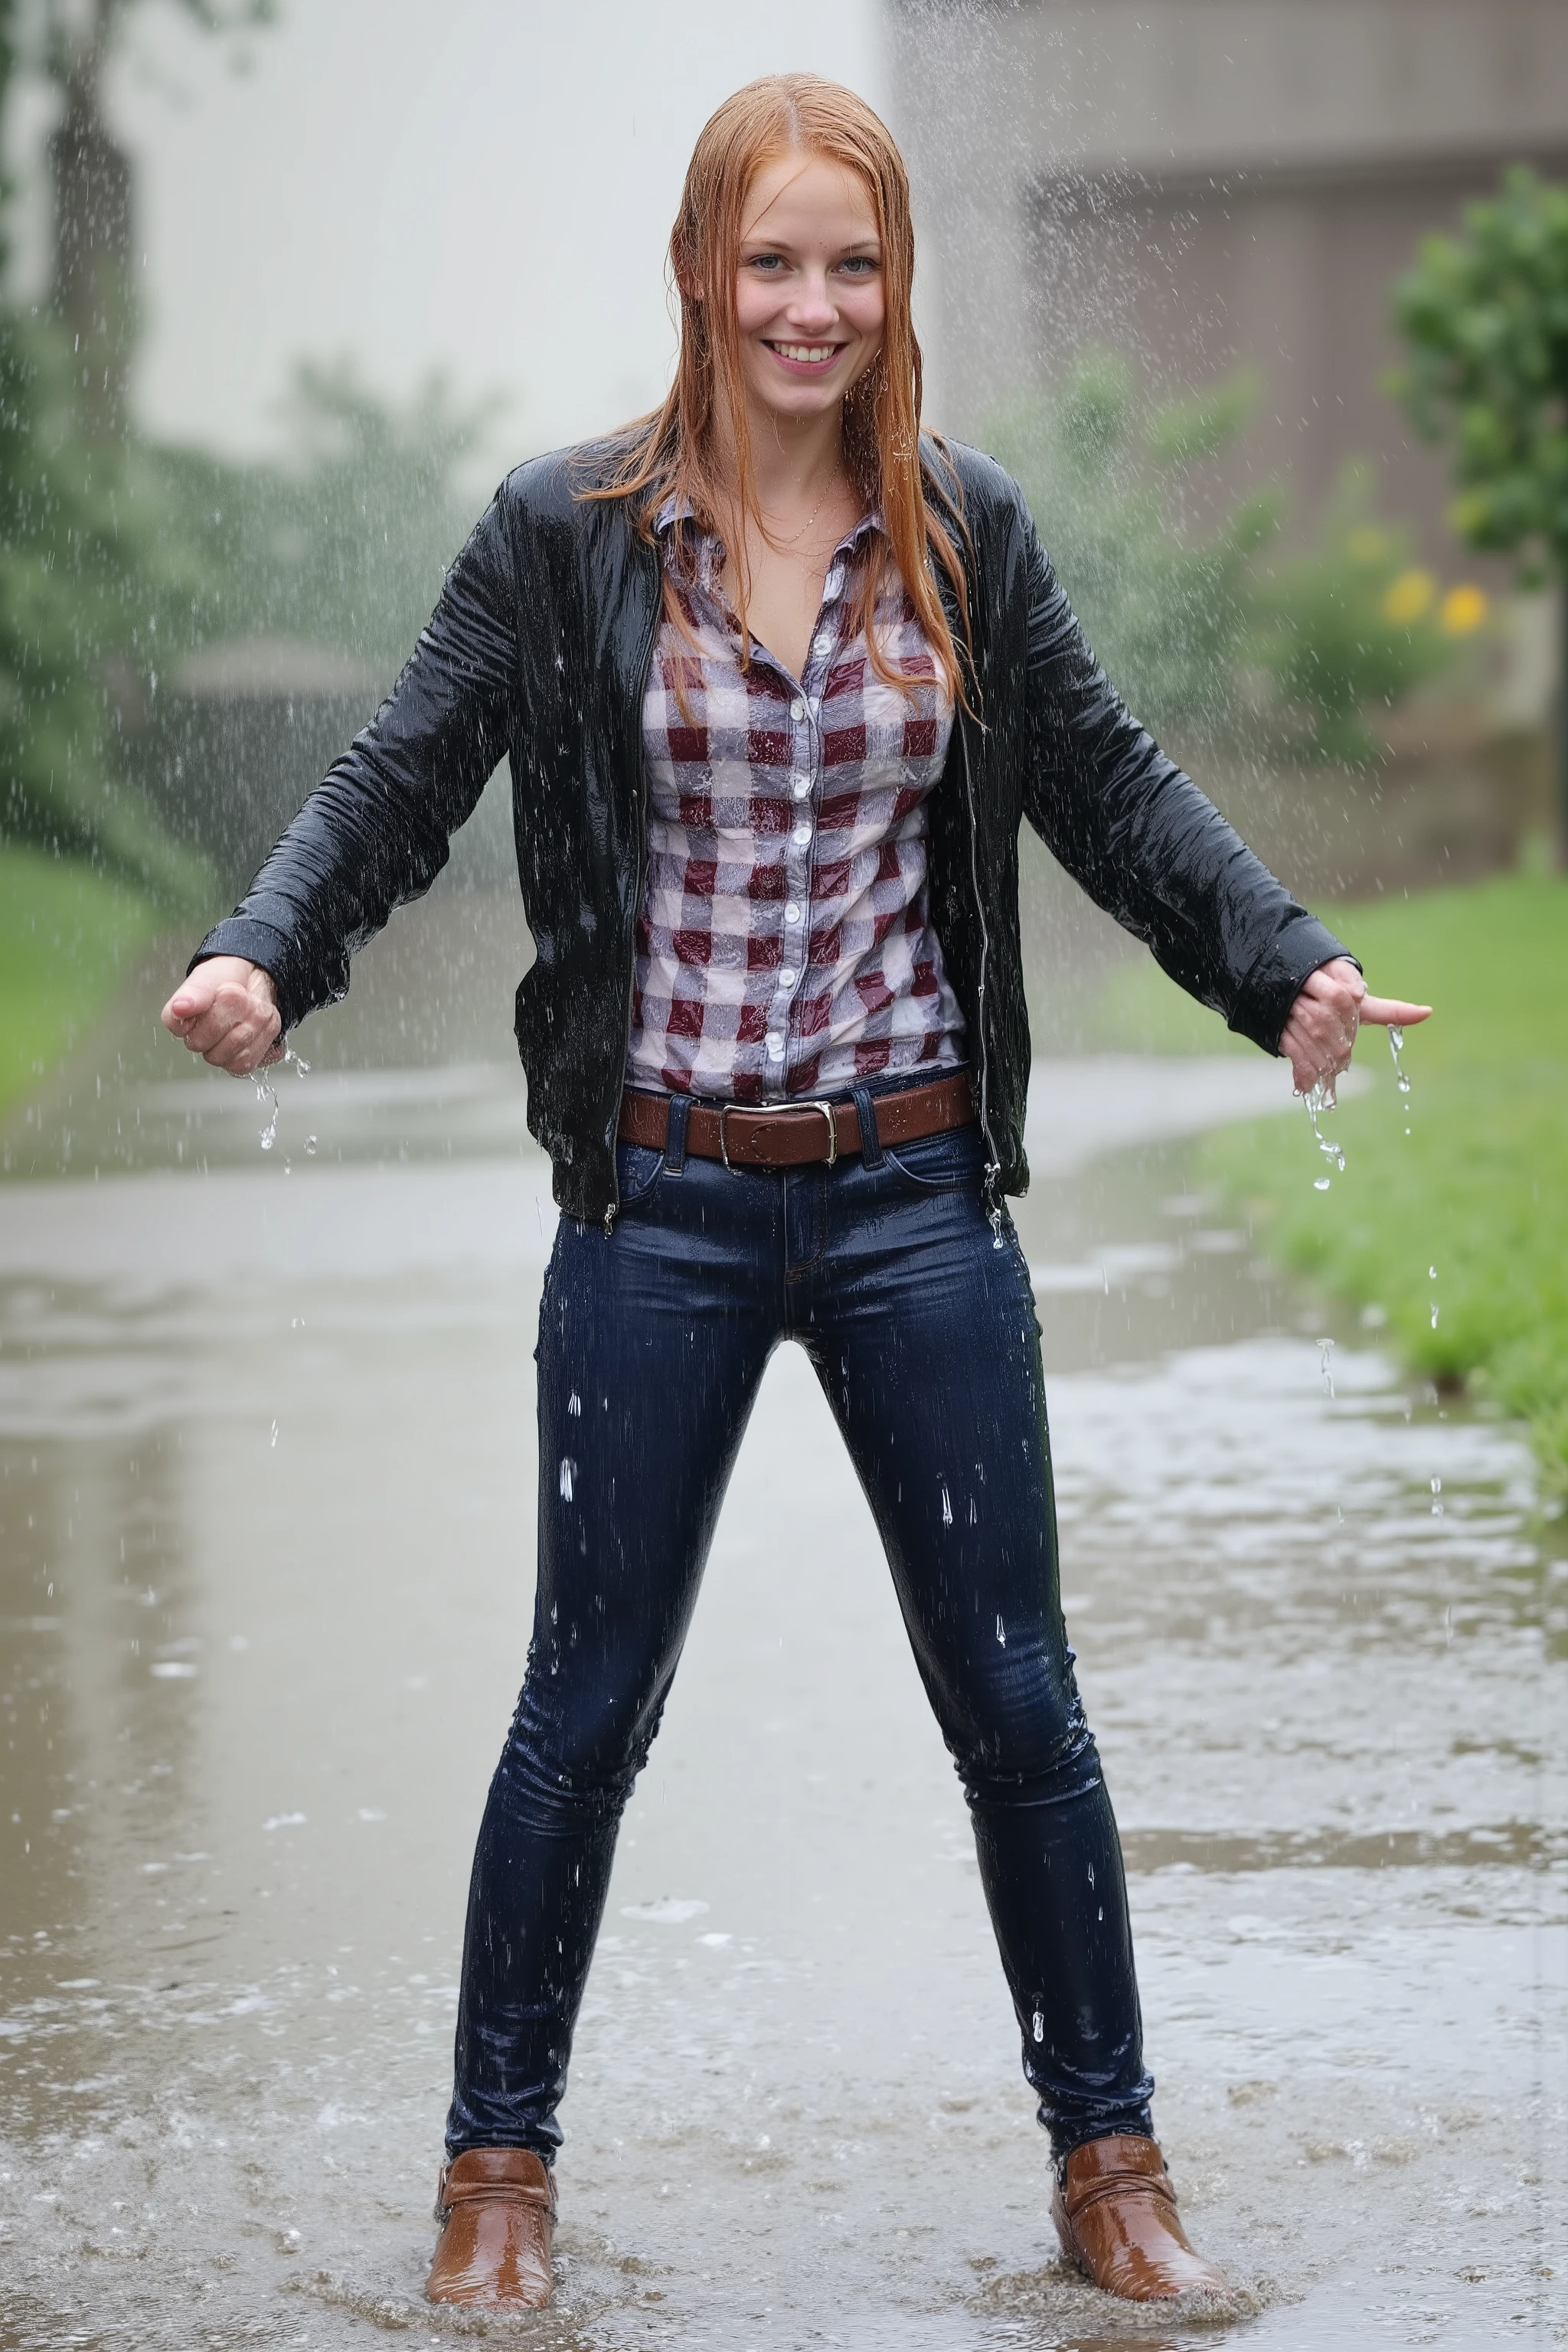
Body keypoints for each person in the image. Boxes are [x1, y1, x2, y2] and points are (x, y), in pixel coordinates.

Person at [161, 75, 1430, 2313]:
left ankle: (1110, 2165)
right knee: (588, 1703)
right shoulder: (564, 535)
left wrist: (1284, 959)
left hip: (914, 1196)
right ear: (700, 275)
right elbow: (400, 767)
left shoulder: (964, 534)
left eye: (853, 265)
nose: (813, 306)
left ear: (897, 282)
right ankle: (494, 2184)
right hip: (653, 1203)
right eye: (774, 263)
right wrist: (268, 946)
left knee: (1018, 1701)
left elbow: (1112, 780)